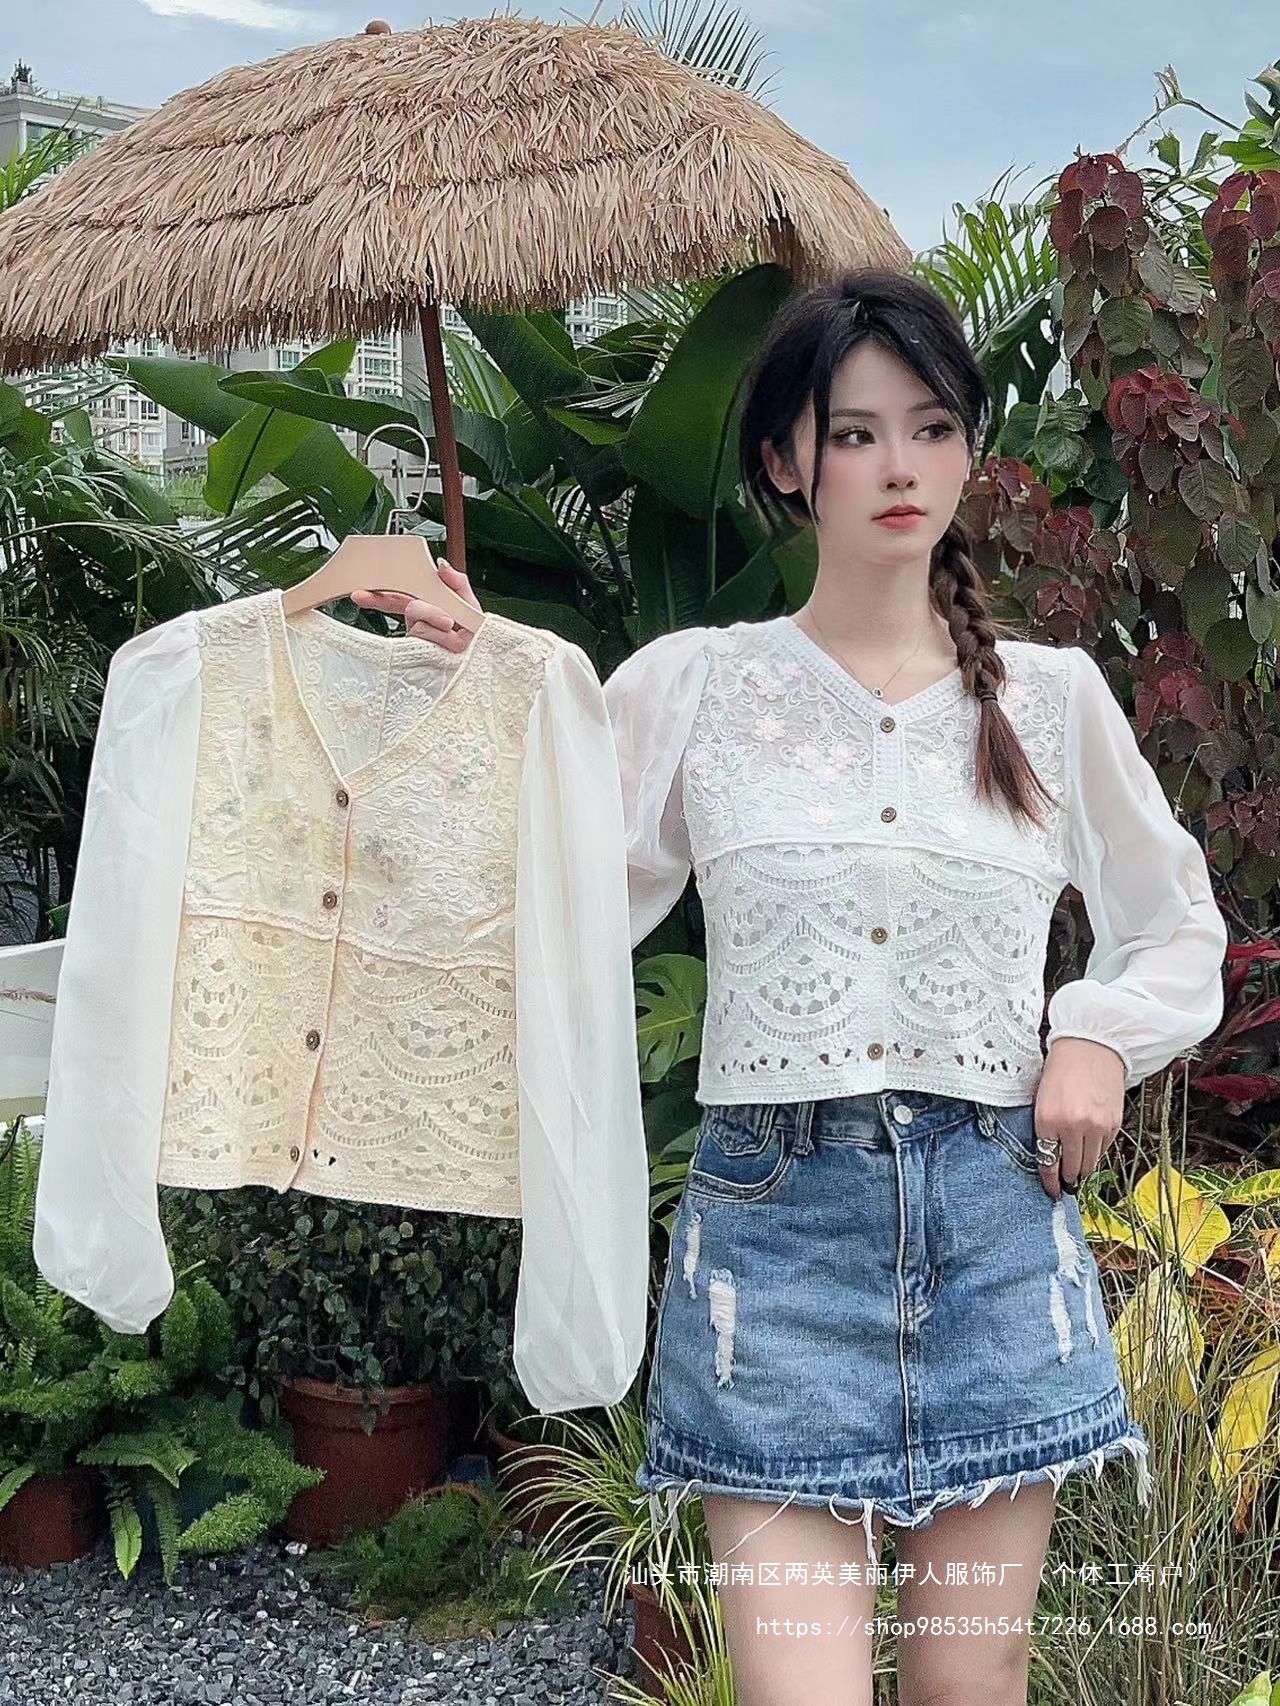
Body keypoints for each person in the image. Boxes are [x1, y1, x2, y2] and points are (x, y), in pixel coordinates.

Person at [350, 270, 1227, 1706]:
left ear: (968, 448)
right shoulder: (695, 687)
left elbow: (1177, 924)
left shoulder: (1053, 700)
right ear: (784, 462)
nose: (898, 467)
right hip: (773, 1253)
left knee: (971, 1686)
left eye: (931, 428)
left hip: (1000, 1236)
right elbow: (544, 894)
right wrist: (480, 699)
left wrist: (1097, 1038)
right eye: (856, 434)